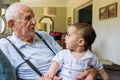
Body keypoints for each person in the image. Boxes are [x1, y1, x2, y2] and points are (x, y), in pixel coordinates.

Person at [0, 2, 96, 80]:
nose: (34, 21)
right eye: (28, 18)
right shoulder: (4, 46)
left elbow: (68, 56)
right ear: (12, 24)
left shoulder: (43, 35)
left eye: (33, 17)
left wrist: (91, 70)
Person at [44, 23, 108, 80]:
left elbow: (101, 70)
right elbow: (56, 62)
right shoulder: (64, 53)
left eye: (68, 35)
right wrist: (51, 71)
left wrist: (106, 78)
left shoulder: (91, 57)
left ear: (80, 42)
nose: (64, 37)